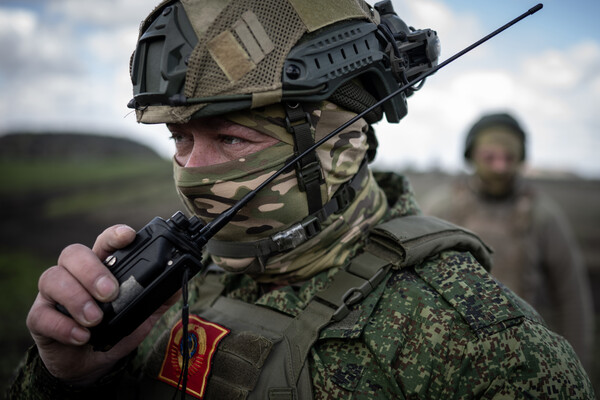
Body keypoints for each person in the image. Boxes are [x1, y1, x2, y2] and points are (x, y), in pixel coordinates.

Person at [8, 1, 594, 399]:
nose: (191, 174)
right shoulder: (163, 288)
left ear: (338, 147)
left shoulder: (484, 350)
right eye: (180, 139)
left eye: (230, 139)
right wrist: (67, 378)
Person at [421, 112, 595, 371]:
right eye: (490, 157)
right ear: (472, 156)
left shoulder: (542, 216)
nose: (499, 167)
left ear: (521, 159)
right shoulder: (440, 209)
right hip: (451, 360)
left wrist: (575, 370)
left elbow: (572, 298)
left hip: (524, 362)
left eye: (508, 158)